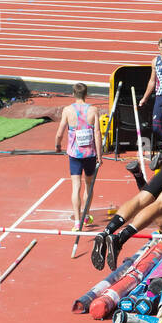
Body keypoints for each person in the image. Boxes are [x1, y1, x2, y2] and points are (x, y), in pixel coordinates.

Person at [54, 83, 102, 227]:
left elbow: (60, 132)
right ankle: (86, 215)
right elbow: (97, 133)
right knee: (88, 185)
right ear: (86, 94)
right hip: (90, 154)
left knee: (76, 186)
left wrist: (57, 145)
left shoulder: (68, 110)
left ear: (73, 94)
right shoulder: (93, 110)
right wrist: (99, 155)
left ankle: (77, 221)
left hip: (75, 154)